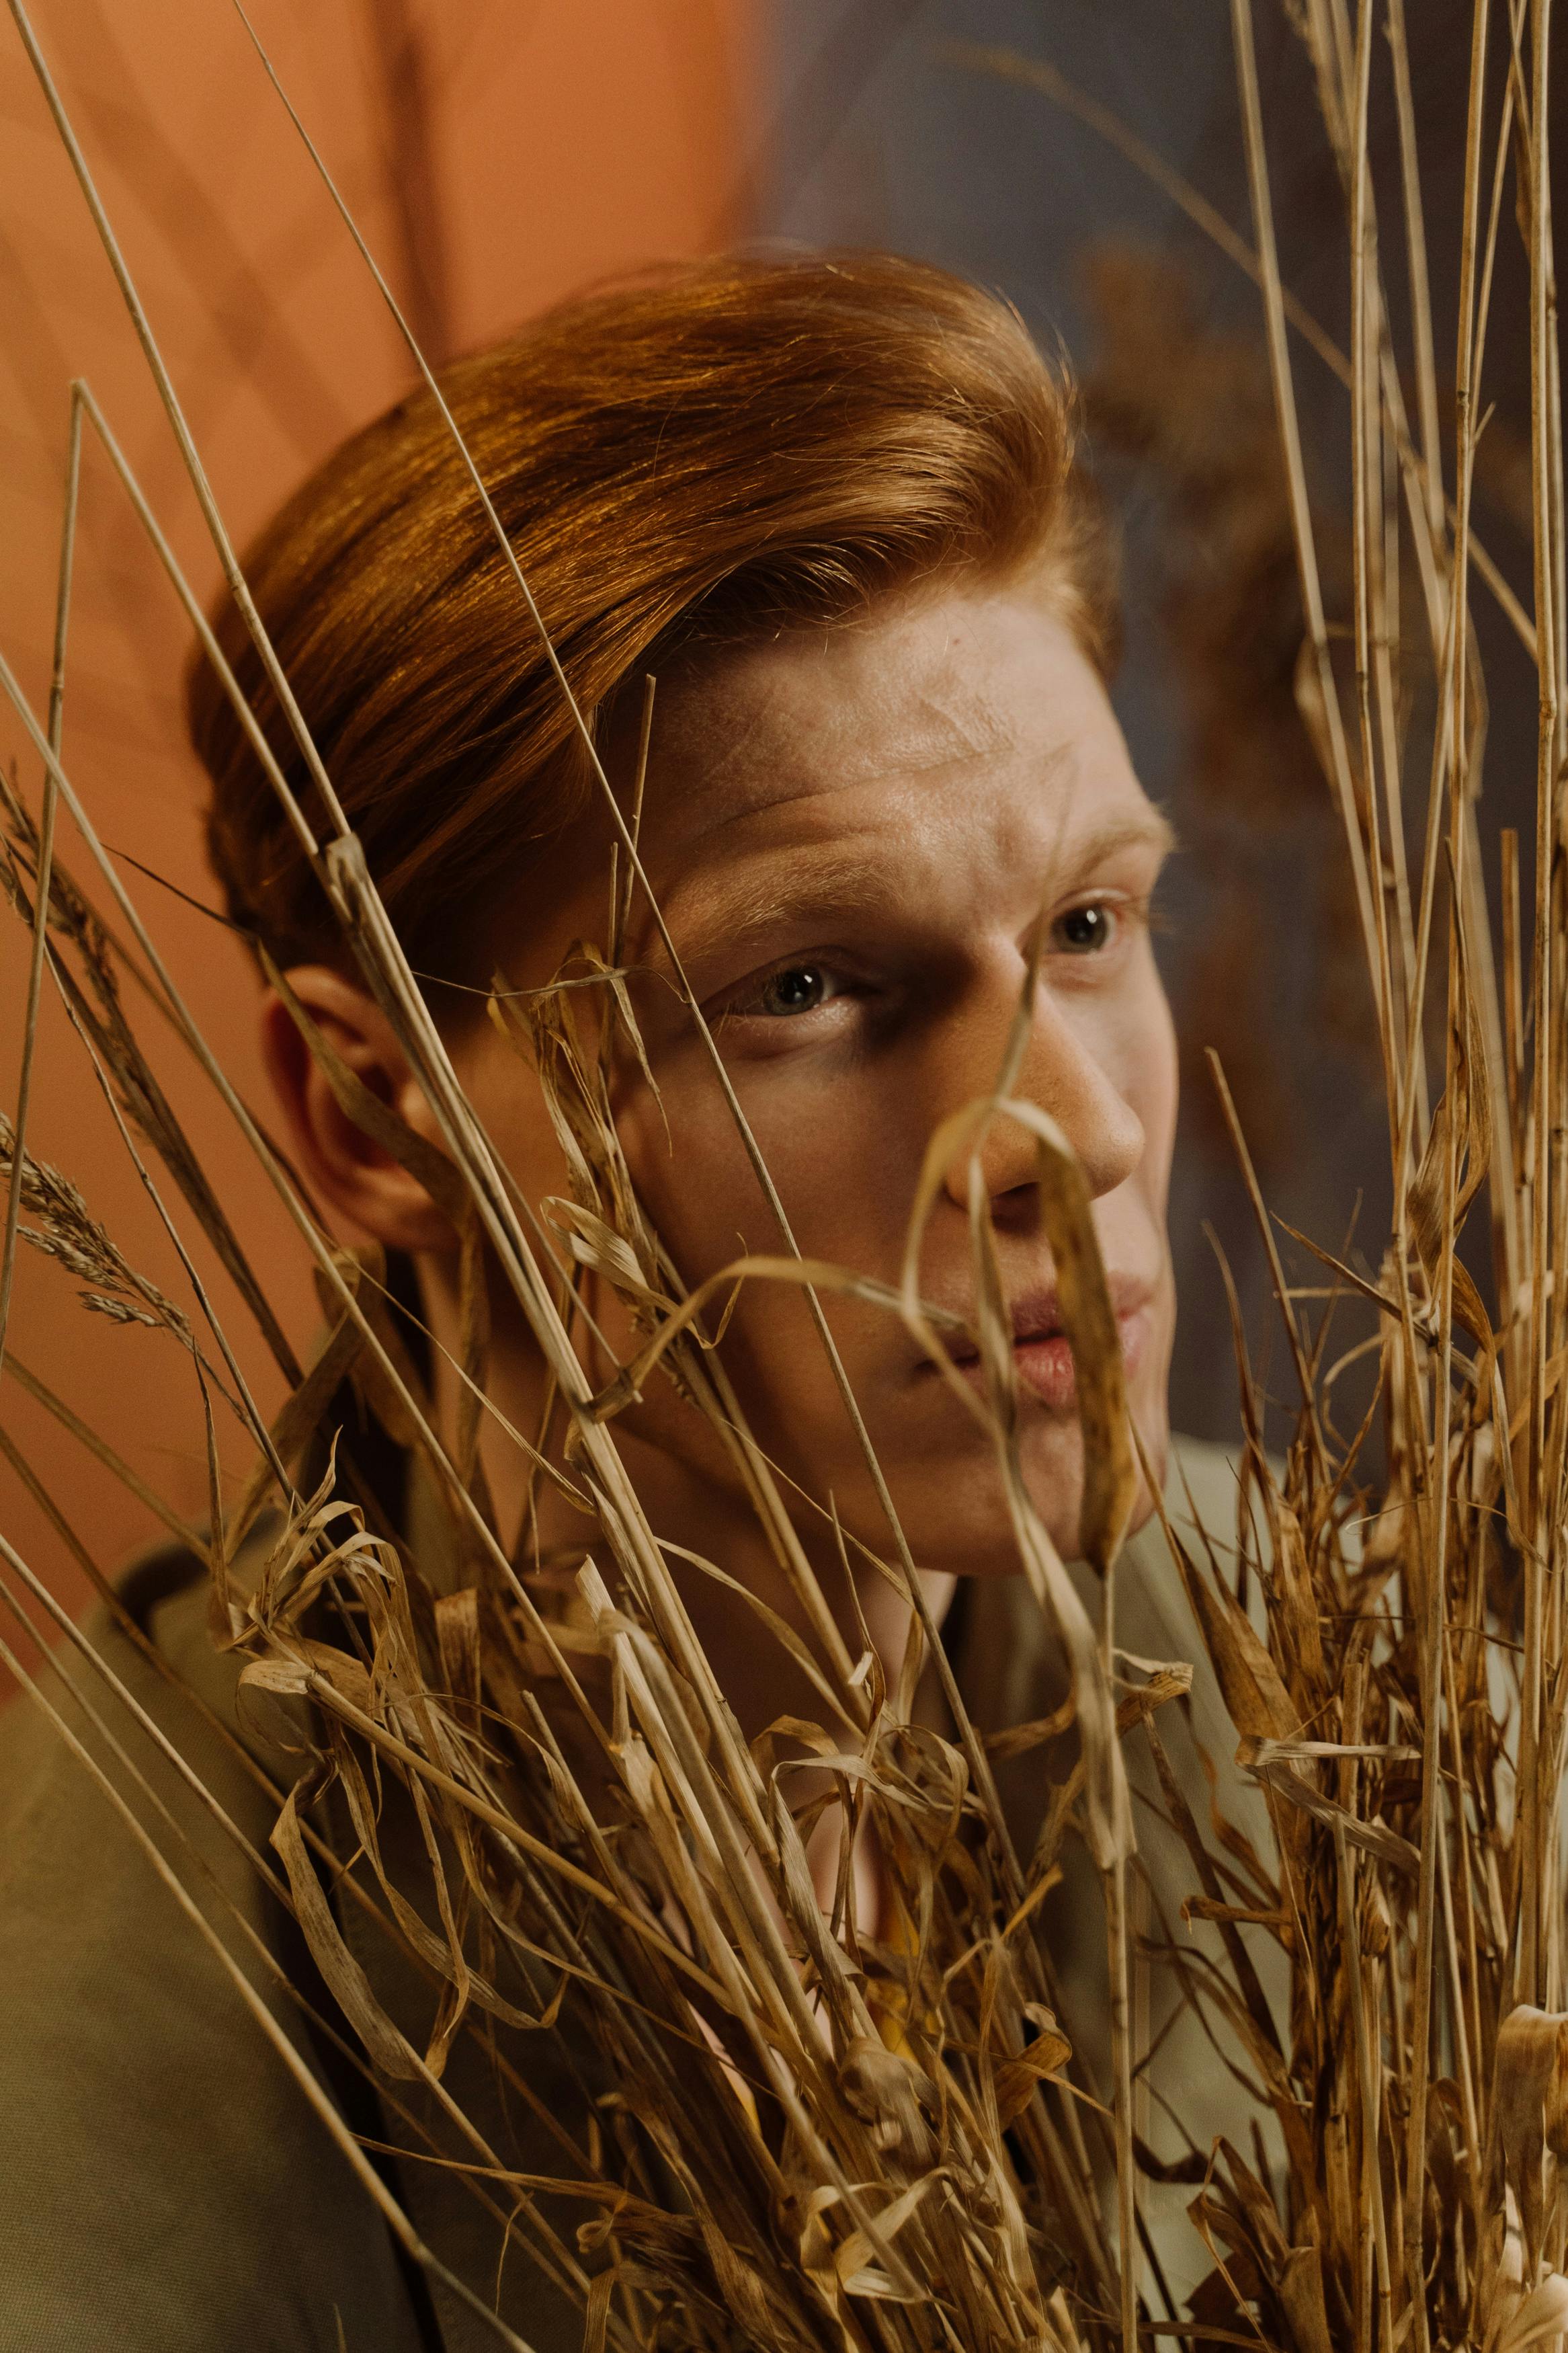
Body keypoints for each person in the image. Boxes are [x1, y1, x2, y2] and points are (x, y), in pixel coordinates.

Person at [0, 252, 1274, 2350]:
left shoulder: (1361, 1703)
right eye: (806, 990)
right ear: (373, 1117)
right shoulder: (115, 2103)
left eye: (1086, 919)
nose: (1073, 1134)